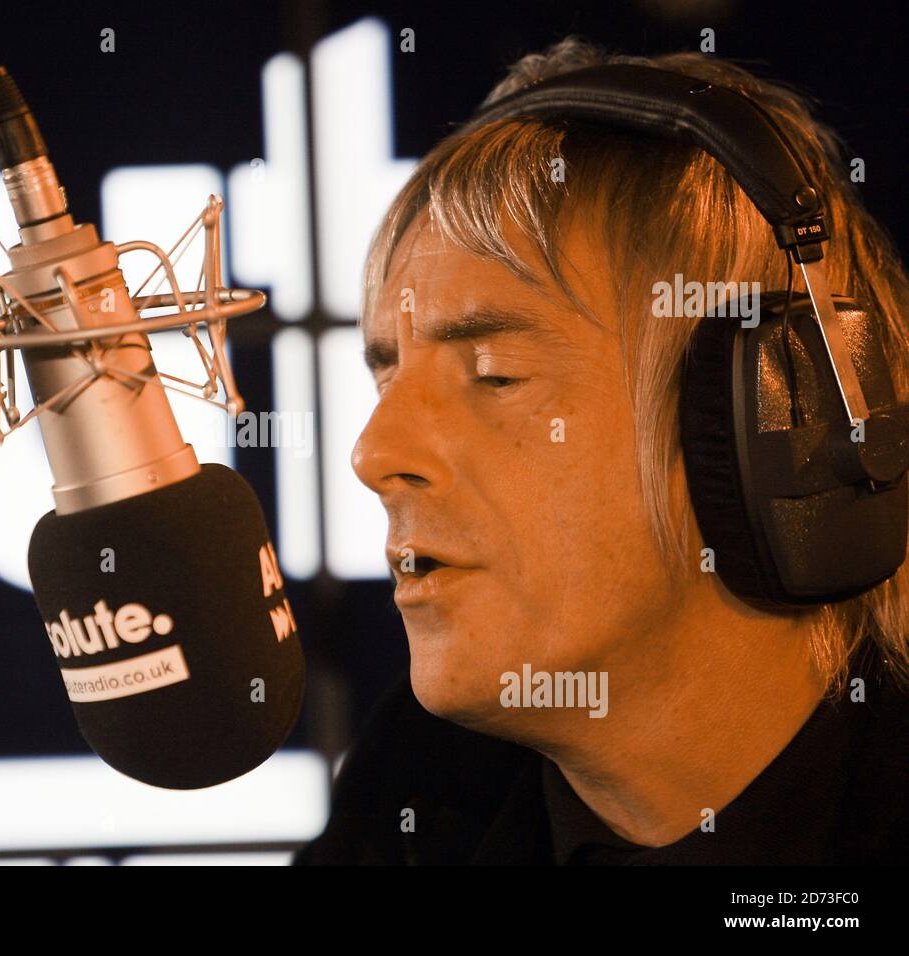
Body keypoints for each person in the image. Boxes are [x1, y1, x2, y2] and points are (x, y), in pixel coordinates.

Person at [293, 38, 909, 865]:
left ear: (781, 425)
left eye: (496, 374)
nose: (374, 454)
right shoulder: (417, 789)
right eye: (386, 378)